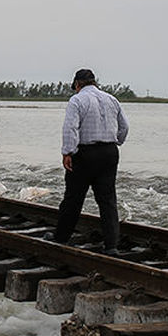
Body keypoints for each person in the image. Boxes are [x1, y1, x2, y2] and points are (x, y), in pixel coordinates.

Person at [55, 69, 129, 254]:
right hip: (109, 152)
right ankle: (111, 245)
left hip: (85, 154)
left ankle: (61, 239)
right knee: (107, 200)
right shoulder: (112, 99)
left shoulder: (77, 100)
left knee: (73, 198)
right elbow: (124, 127)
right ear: (94, 82)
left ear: (78, 84)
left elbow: (70, 128)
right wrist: (115, 141)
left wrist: (68, 152)